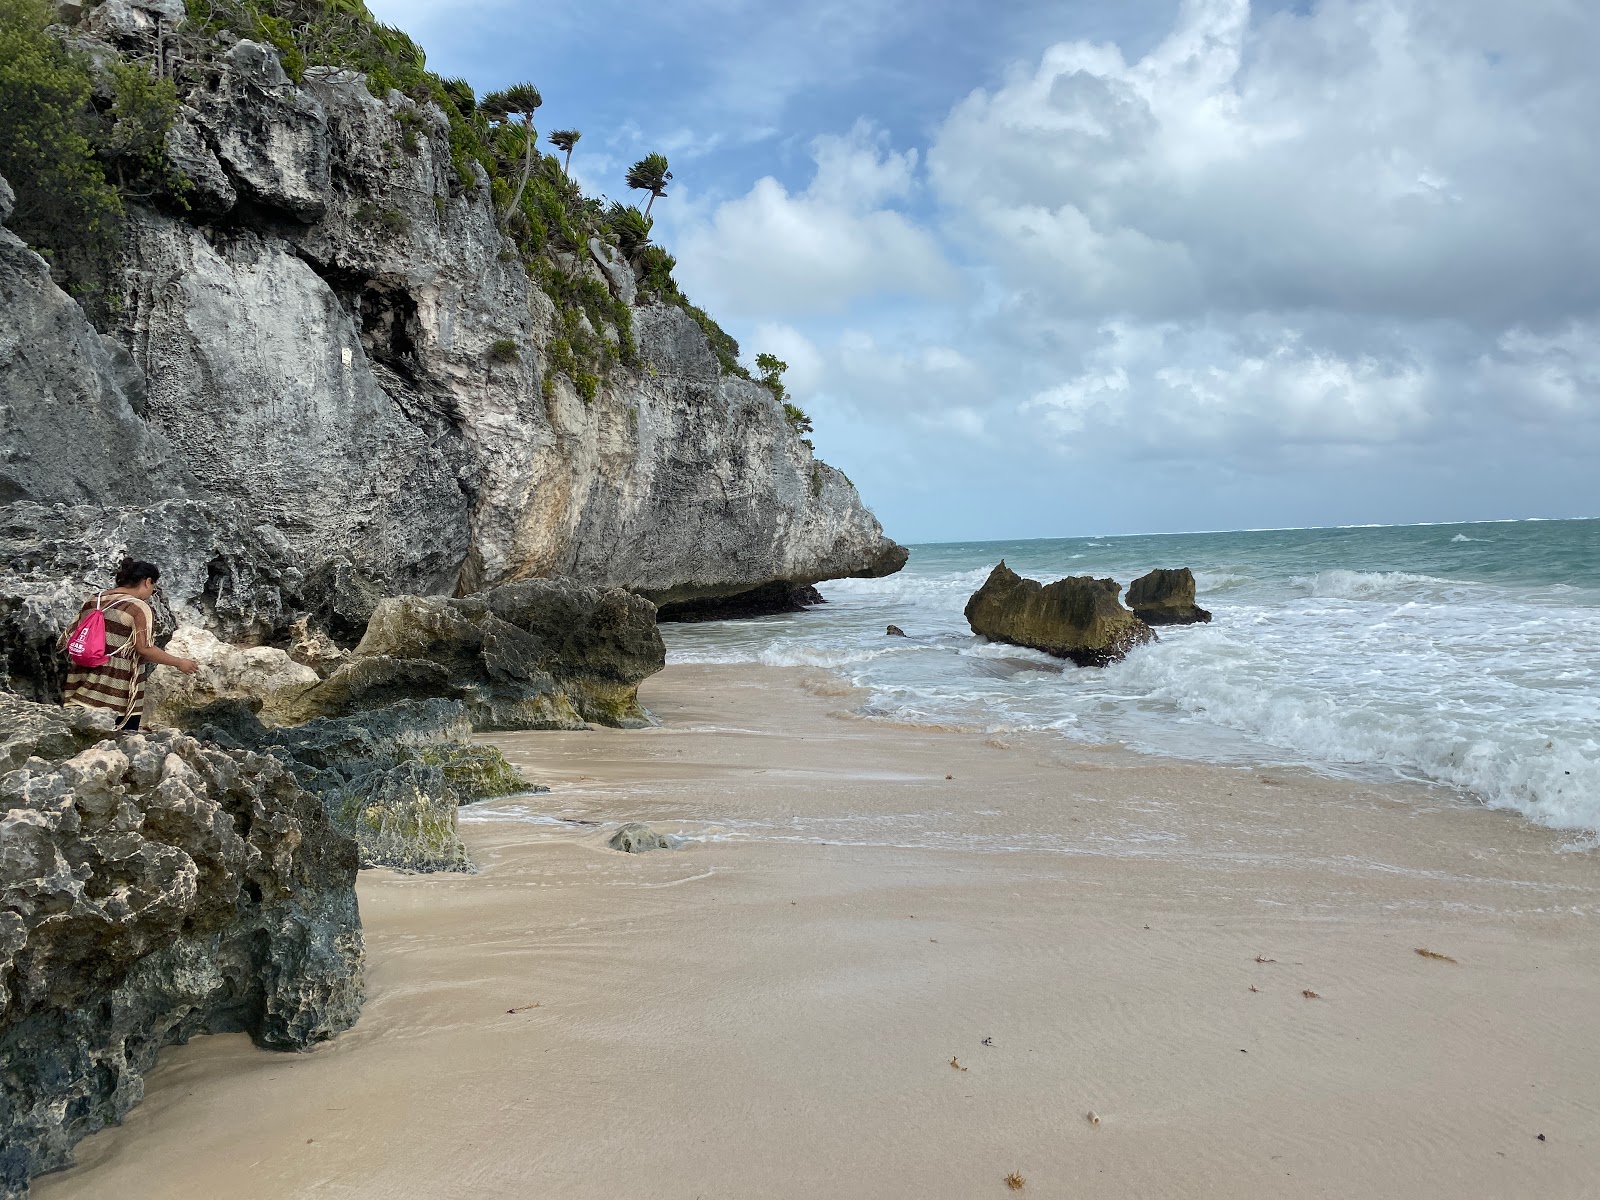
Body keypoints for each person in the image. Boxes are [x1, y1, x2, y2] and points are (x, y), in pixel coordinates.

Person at [60, 558, 199, 731]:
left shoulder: (94, 600)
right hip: (114, 698)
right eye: (154, 588)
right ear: (147, 582)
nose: (151, 593)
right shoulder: (137, 607)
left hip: (79, 686)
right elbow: (144, 649)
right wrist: (179, 662)